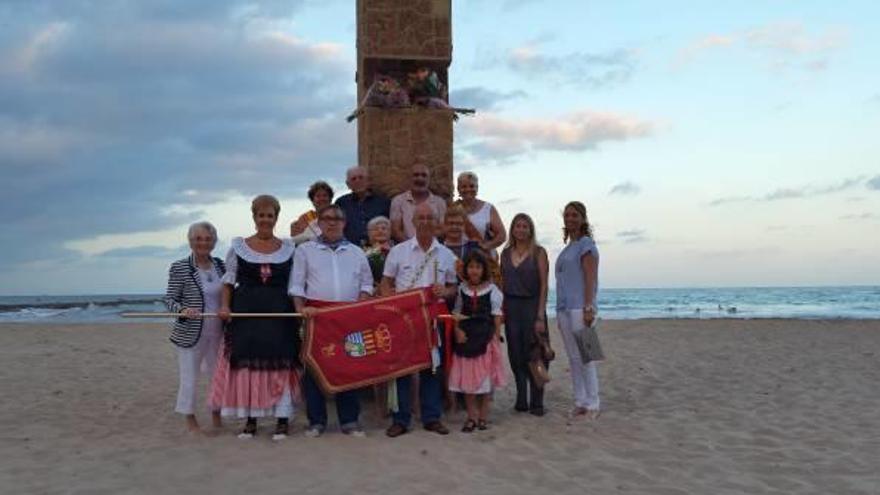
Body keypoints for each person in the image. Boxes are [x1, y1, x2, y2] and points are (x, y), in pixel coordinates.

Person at [210, 195, 301, 440]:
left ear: (276, 218)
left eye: (270, 215)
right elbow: (228, 284)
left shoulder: (289, 249)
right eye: (261, 215)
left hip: (280, 315)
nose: (265, 220)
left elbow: (295, 284)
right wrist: (226, 308)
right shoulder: (238, 248)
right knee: (248, 366)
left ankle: (282, 420)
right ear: (254, 217)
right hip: (247, 314)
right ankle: (251, 421)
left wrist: (299, 312)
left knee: (281, 365)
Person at [290, 204, 375, 438]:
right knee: (315, 369)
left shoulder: (357, 252)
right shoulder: (305, 250)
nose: (332, 222)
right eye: (327, 218)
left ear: (344, 223)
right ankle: (316, 421)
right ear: (319, 222)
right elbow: (296, 285)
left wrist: (361, 302)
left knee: (351, 367)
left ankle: (349, 420)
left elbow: (367, 284)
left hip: (350, 317)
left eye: (337, 218)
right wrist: (300, 312)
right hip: (316, 318)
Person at [380, 202, 458, 437]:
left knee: (432, 368)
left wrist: (444, 292)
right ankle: (401, 419)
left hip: (433, 318)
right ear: (413, 222)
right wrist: (390, 303)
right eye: (420, 218)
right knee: (403, 367)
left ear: (436, 223)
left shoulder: (446, 255)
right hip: (404, 319)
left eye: (429, 218)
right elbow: (385, 284)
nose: (424, 222)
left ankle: (431, 417)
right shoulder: (399, 251)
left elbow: (454, 287)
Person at [163, 221, 226, 434]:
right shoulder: (180, 267)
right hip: (191, 333)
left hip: (218, 332)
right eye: (198, 239)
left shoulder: (221, 265)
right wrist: (182, 310)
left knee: (217, 376)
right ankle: (190, 419)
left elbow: (229, 295)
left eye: (208, 239)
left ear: (214, 242)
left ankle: (217, 414)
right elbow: (170, 299)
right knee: (189, 377)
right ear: (191, 241)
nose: (203, 243)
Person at [448, 251, 507, 432]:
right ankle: (471, 417)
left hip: (485, 338)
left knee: (485, 382)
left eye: (478, 267)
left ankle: (483, 416)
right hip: (466, 339)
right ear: (466, 269)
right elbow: (456, 313)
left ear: (483, 270)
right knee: (467, 381)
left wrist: (496, 337)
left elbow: (497, 315)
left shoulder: (492, 290)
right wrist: (457, 330)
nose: (474, 271)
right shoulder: (461, 289)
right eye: (471, 267)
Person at [555, 201, 602, 420]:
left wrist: (589, 306)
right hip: (564, 308)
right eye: (567, 215)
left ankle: (593, 402)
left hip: (581, 308)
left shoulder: (586, 244)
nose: (570, 218)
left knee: (587, 356)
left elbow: (590, 278)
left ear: (583, 218)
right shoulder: (567, 248)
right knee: (573, 357)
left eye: (575, 215)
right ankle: (580, 400)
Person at [500, 213, 550, 416]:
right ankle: (521, 398)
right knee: (516, 354)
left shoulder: (538, 252)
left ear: (531, 230)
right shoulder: (504, 254)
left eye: (525, 226)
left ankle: (537, 401)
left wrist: (539, 315)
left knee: (536, 354)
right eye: (517, 226)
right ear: (512, 229)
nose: (521, 230)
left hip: (532, 305)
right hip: (511, 307)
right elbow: (501, 284)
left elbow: (545, 285)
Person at [334, 166, 391, 247]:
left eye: (361, 177)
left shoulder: (384, 202)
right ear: (348, 184)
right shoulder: (341, 203)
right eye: (353, 179)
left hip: (378, 252)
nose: (358, 181)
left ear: (368, 181)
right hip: (349, 250)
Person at [389, 163, 448, 242]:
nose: (420, 179)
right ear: (409, 178)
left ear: (429, 179)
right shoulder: (398, 201)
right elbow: (395, 230)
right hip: (406, 248)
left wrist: (425, 243)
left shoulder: (440, 203)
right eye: (416, 175)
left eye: (424, 175)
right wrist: (411, 246)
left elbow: (442, 229)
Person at [455, 172, 506, 253]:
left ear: (477, 188)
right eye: (464, 186)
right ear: (458, 189)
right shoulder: (453, 209)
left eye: (472, 186)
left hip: (482, 258)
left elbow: (502, 235)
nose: (468, 189)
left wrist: (487, 245)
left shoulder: (488, 208)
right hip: (459, 257)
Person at [363, 215, 393, 286]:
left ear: (390, 232)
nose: (380, 231)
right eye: (376, 229)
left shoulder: (398, 250)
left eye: (384, 228)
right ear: (369, 233)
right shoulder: (362, 254)